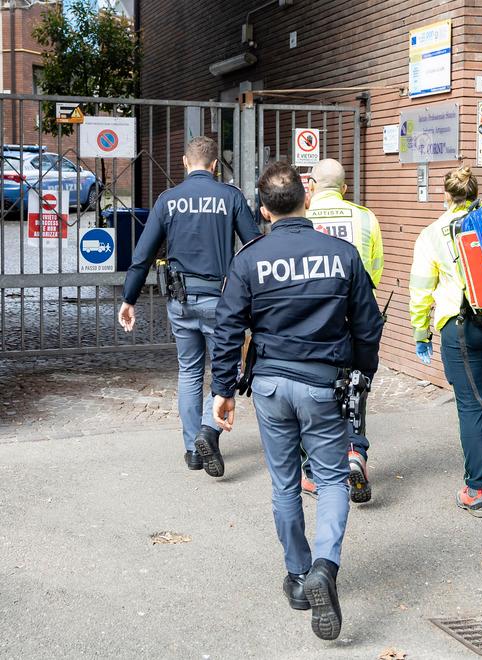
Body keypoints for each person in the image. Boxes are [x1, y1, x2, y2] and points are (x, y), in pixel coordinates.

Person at [210, 162, 383, 640]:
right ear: (305, 200)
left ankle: (297, 576)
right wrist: (362, 373)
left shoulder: (250, 260)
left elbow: (227, 331)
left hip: (268, 385)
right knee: (329, 479)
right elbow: (368, 324)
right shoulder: (342, 254)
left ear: (264, 210)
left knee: (285, 484)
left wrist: (223, 391)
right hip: (322, 383)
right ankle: (325, 567)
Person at [118, 136, 261, 476]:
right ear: (215, 165)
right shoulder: (231, 197)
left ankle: (193, 448)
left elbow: (142, 256)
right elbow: (254, 247)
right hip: (223, 302)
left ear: (184, 162)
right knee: (228, 368)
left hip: (180, 301)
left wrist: (129, 299)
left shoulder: (168, 200)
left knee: (189, 371)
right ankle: (208, 435)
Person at [408, 166, 482, 518]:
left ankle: (475, 489)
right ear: (476, 193)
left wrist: (420, 333)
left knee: (471, 404)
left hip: (462, 330)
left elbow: (421, 291)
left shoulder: (432, 234)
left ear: (446, 195)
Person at [303, 158, 384, 503]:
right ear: (345, 188)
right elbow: (375, 271)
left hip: (312, 321)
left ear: (311, 186)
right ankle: (355, 453)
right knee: (354, 390)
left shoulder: (301, 220)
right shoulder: (365, 217)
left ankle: (313, 471)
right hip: (354, 318)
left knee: (312, 393)